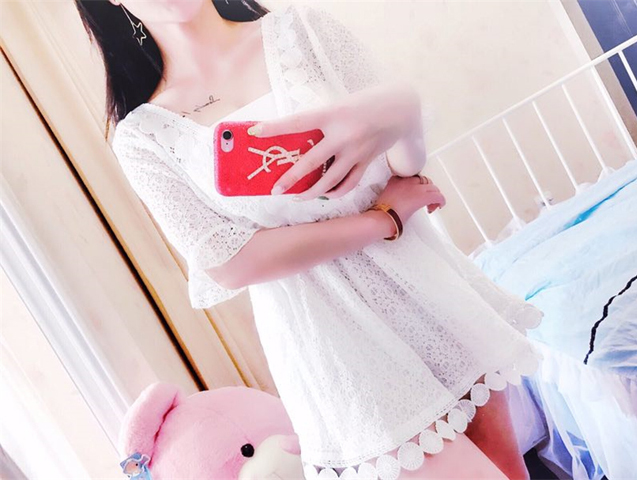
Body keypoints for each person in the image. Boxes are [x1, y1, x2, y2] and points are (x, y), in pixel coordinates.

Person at [76, 0, 544, 478]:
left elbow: (404, 164)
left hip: (426, 285)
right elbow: (232, 262)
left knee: (509, 469)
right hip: (331, 338)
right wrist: (382, 219)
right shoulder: (144, 137)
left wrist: (404, 112)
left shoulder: (303, 32)